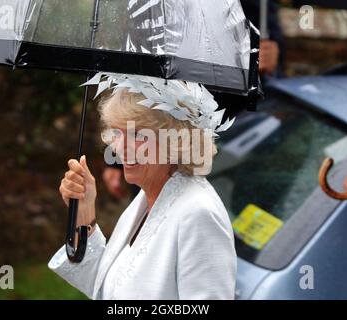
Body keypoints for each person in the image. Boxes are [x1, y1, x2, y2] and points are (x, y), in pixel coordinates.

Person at [48, 74, 237, 300]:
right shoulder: (146, 199)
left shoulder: (198, 214)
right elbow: (106, 287)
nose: (120, 148)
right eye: (117, 133)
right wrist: (85, 213)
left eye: (137, 134)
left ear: (174, 140)